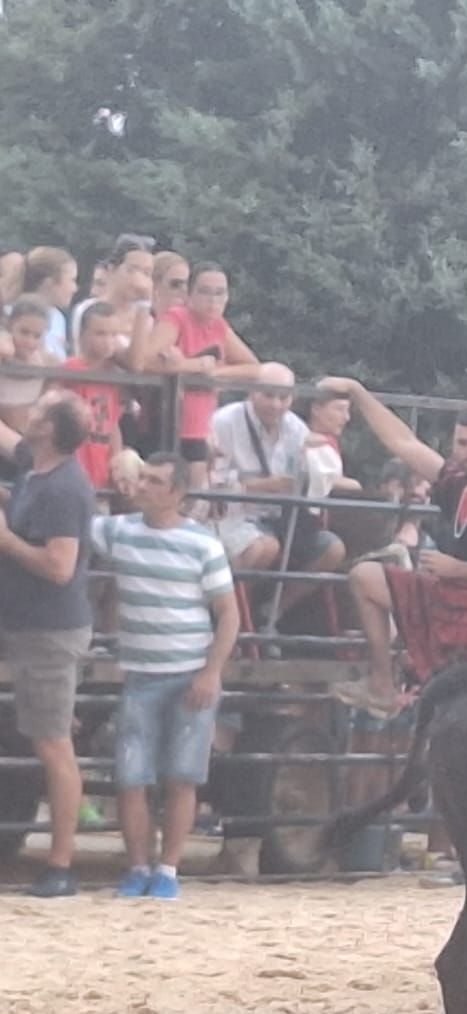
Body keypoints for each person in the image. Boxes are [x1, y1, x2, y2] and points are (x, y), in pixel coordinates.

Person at [320, 377, 467, 715]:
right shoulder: (455, 483)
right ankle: (382, 685)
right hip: (451, 597)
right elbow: (402, 441)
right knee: (364, 576)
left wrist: (457, 569)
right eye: (462, 443)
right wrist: (359, 392)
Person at [92, 453, 239, 899]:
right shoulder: (119, 532)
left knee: (181, 776)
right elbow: (77, 519)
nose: (144, 487)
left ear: (176, 492)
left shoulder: (202, 544)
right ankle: (139, 866)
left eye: (155, 481)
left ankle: (168, 869)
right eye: (144, 479)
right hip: (141, 672)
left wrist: (211, 671)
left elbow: (228, 613)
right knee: (132, 777)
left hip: (188, 671)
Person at [0, 397, 96, 896]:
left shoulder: (63, 489)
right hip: (23, 624)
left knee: (54, 745)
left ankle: (60, 865)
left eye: (38, 412)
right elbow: (6, 436)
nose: (28, 415)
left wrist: (6, 540)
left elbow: (60, 568)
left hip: (48, 631)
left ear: (51, 430)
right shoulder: (37, 467)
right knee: (49, 740)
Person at [211, 366, 345, 628]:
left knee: (332, 548)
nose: (276, 405)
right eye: (268, 396)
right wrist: (263, 486)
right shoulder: (225, 422)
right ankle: (226, 615)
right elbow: (211, 485)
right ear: (252, 393)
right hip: (236, 515)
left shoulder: (296, 428)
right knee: (266, 547)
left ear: (292, 398)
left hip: (284, 517)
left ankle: (272, 611)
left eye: (283, 398)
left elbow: (315, 478)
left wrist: (317, 464)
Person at [131, 262, 261, 483]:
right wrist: (197, 366)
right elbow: (144, 361)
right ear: (189, 294)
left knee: (192, 495)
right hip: (164, 421)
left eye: (220, 293)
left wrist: (216, 373)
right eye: (205, 292)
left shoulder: (219, 326)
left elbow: (254, 368)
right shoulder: (177, 318)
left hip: (198, 427)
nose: (213, 300)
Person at [60, 301, 125, 493]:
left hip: (102, 470)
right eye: (100, 333)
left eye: (114, 334)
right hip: (75, 467)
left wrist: (117, 459)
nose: (108, 341)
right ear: (82, 335)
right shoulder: (70, 370)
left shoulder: (113, 375)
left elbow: (113, 424)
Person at [0, 295, 62, 431]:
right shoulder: (4, 350)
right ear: (10, 326)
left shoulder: (47, 360)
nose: (30, 341)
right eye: (24, 332)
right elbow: (5, 349)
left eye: (37, 336)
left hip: (27, 434)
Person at [21, 246, 78, 359]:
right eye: (72, 280)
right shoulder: (16, 313)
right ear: (49, 282)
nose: (75, 288)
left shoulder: (58, 317)